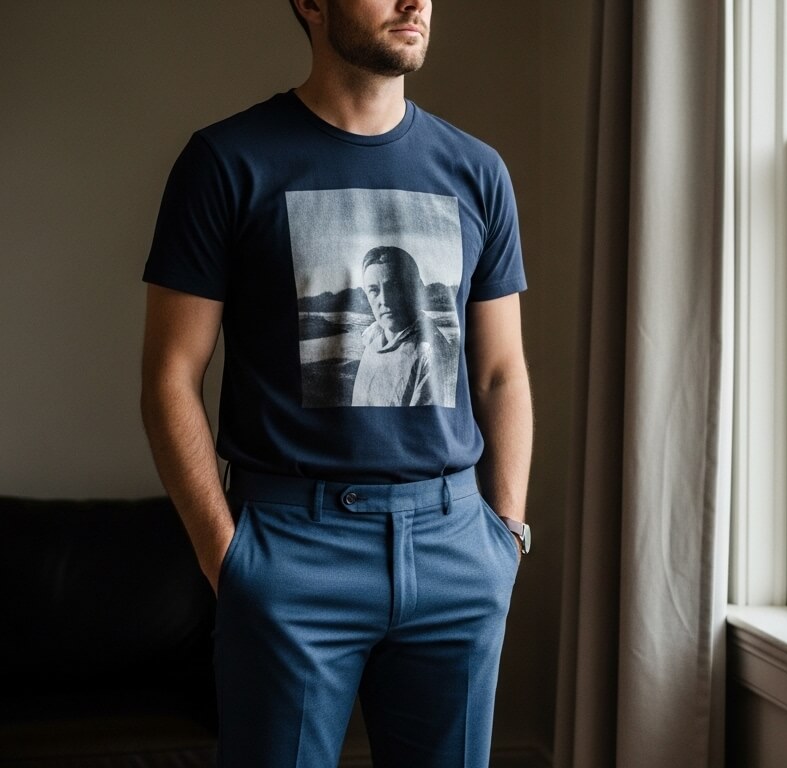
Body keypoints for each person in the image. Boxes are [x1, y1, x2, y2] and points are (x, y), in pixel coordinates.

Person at [138, 0, 533, 765]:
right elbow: (169, 377)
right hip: (291, 548)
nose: (416, 2)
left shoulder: (478, 170)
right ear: (311, 4)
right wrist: (230, 558)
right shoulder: (228, 161)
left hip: (456, 545)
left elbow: (499, 371)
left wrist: (505, 533)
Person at [351, 245, 457, 407]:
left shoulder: (430, 352)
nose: (384, 300)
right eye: (374, 290)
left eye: (393, 287)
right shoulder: (371, 344)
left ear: (414, 288)